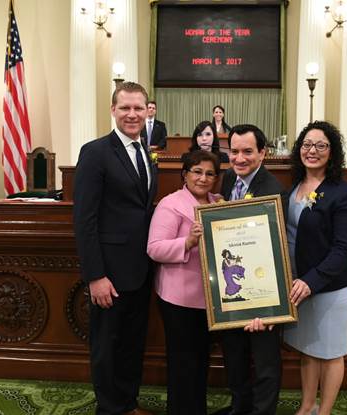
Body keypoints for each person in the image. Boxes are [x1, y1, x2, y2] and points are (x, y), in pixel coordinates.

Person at [73, 81, 157, 415]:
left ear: (148, 111)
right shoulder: (95, 152)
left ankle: (128, 403)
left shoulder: (145, 151)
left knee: (132, 345)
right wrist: (95, 275)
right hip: (109, 273)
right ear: (113, 110)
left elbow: (141, 208)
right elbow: (85, 220)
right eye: (125, 108)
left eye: (139, 108)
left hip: (141, 269)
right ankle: (109, 409)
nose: (132, 114)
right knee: (107, 346)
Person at [282, 121, 347, 415]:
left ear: (332, 151)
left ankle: (324, 411)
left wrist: (311, 281)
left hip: (329, 286)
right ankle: (306, 406)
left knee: (330, 352)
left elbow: (344, 249)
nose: (312, 151)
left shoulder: (344, 193)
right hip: (297, 282)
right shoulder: (293, 187)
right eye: (306, 144)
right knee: (308, 348)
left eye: (320, 145)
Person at [214, 124, 283, 415]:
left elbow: (277, 248)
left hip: (262, 291)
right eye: (234, 151)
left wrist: (269, 306)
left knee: (265, 362)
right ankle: (239, 408)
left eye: (248, 152)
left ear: (263, 153)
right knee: (235, 357)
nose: (239, 158)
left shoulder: (274, 190)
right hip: (233, 289)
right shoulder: (228, 178)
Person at [147, 150, 221, 415]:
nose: (203, 178)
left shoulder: (218, 203)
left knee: (201, 362)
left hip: (210, 300)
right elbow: (154, 249)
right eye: (197, 171)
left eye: (210, 173)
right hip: (179, 300)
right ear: (185, 174)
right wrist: (187, 242)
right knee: (182, 365)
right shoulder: (171, 204)